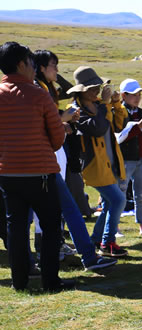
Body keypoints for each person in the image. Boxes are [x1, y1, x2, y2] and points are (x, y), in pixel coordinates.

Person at [32, 50, 116, 271]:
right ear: (41, 67)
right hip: (53, 157)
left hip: (57, 155)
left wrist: (64, 122)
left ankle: (58, 252)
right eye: (53, 65)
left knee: (59, 208)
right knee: (63, 208)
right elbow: (98, 128)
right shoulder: (38, 90)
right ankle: (82, 253)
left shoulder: (46, 89)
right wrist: (63, 118)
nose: (57, 70)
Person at [0, 41, 73, 291]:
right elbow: (56, 138)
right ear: (21, 64)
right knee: (51, 227)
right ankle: (51, 282)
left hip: (7, 173)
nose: (33, 68)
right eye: (31, 63)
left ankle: (19, 282)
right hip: (40, 172)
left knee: (16, 228)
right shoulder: (38, 95)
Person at [68, 66, 129, 258]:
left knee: (111, 202)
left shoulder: (100, 106)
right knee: (118, 199)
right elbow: (98, 127)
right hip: (94, 167)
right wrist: (105, 105)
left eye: (97, 87)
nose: (96, 90)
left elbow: (120, 124)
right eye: (92, 88)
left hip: (110, 162)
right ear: (81, 91)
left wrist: (116, 104)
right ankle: (108, 242)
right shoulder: (77, 111)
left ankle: (96, 239)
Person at [118, 78, 142, 236]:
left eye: (139, 94)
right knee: (120, 193)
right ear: (123, 96)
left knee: (141, 195)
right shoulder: (119, 113)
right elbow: (119, 137)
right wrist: (140, 127)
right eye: (133, 95)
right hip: (125, 159)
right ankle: (114, 226)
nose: (137, 98)